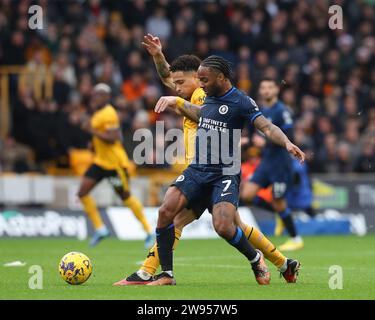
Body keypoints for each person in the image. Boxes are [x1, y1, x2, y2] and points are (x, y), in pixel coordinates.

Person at [114, 35, 299, 286]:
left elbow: (256, 124)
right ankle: (283, 263)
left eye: (182, 82)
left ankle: (149, 271)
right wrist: (158, 55)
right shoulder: (200, 94)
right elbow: (169, 78)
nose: (175, 85)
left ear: (201, 79)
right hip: (199, 170)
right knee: (230, 226)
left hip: (218, 171)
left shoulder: (204, 93)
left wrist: (177, 100)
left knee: (194, 222)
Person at [78, 83, 154, 247]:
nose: (94, 98)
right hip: (100, 163)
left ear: (106, 97)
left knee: (124, 196)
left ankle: (149, 231)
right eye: (94, 95)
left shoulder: (109, 113)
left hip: (114, 166)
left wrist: (92, 131)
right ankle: (100, 228)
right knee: (82, 192)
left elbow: (113, 137)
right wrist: (94, 143)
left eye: (98, 95)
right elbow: (102, 134)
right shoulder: (98, 113)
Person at [240, 78, 304, 251]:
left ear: (276, 90)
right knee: (246, 194)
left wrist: (265, 141)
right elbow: (255, 139)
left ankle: (295, 238)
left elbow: (290, 137)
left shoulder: (282, 111)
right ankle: (280, 215)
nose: (266, 90)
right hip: (265, 162)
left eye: (269, 87)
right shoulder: (260, 111)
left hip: (280, 164)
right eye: (263, 87)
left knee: (279, 202)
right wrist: (244, 142)